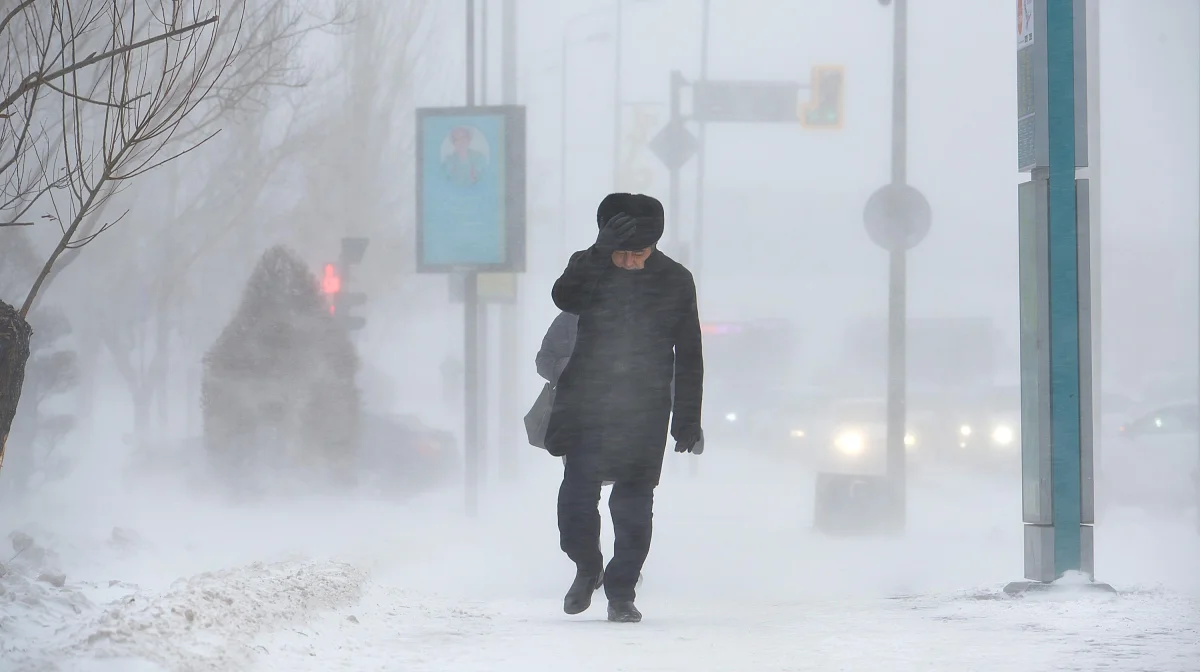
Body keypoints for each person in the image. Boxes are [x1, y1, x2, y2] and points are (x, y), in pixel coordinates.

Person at [544, 192, 704, 623]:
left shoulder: (674, 279)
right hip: (586, 404)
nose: (631, 261)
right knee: (577, 499)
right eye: (623, 253)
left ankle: (621, 592)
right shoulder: (591, 266)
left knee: (633, 507)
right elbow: (565, 298)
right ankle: (586, 566)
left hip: (645, 408)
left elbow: (689, 352)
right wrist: (599, 253)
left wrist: (688, 418)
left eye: (640, 253)